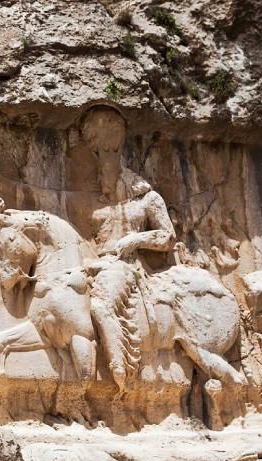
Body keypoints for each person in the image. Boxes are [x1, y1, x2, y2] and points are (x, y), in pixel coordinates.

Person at [79, 107, 176, 390]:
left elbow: (168, 237)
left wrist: (136, 239)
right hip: (96, 263)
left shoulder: (147, 198)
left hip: (126, 266)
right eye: (97, 152)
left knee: (101, 303)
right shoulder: (96, 194)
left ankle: (121, 369)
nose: (101, 160)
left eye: (108, 151)